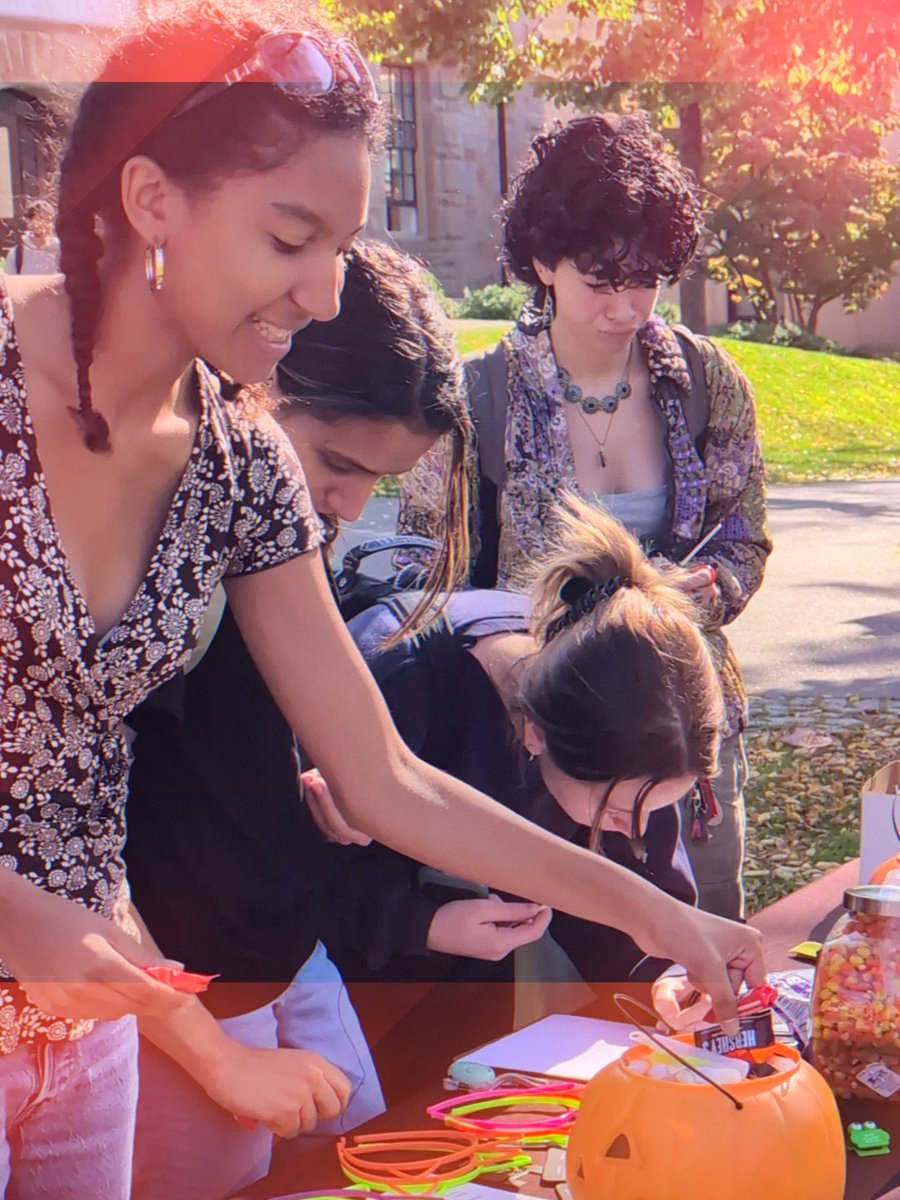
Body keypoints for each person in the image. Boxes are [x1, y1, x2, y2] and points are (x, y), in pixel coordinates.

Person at [0, 9, 764, 1194]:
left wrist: (667, 919)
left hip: (87, 1025)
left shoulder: (240, 463)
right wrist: (195, 1037)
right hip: (120, 994)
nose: (321, 295)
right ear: (151, 200)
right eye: (290, 237)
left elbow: (385, 778)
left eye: (344, 246)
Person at [123, 240, 470, 1200]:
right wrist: (201, 1047)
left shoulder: (277, 530)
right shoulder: (154, 530)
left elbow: (340, 757)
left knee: (359, 1158)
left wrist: (299, 780)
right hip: (170, 979)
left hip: (280, 943)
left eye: (381, 481)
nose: (350, 505)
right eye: (336, 462)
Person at [399, 112, 772, 921]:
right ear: (542, 261)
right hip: (544, 752)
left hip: (683, 740)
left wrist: (702, 589)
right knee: (555, 984)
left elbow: (745, 537)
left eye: (646, 278)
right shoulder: (478, 400)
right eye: (602, 281)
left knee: (697, 955)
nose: (627, 305)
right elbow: (420, 579)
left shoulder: (708, 383)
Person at [306, 498, 720, 1009]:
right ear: (535, 737)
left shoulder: (634, 726)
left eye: (655, 808)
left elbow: (632, 900)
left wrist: (663, 978)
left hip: (472, 1013)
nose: (632, 832)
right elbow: (284, 872)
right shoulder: (397, 676)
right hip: (322, 1007)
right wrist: (420, 923)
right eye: (615, 811)